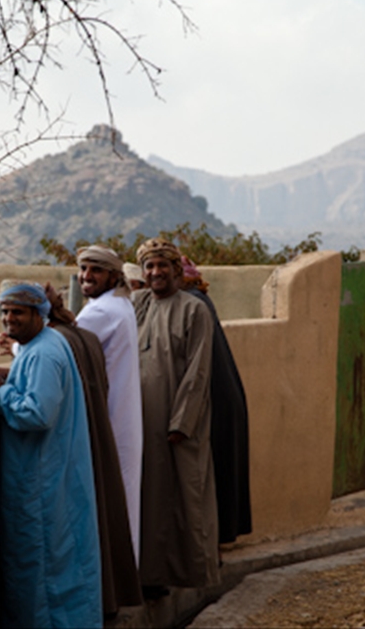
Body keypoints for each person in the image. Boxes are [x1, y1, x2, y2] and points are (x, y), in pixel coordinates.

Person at [0, 280, 101, 628]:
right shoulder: (38, 346)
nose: (9, 319)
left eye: (18, 312)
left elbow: (37, 413)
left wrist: (1, 392)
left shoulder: (45, 352)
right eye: (5, 311)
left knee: (45, 565)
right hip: (45, 475)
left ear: (38, 313)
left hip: (41, 481)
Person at [44, 283, 143, 616]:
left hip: (90, 430)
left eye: (18, 313)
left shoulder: (97, 315)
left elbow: (36, 407)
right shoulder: (112, 311)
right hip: (108, 421)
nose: (87, 276)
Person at [133, 238, 220, 594]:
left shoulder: (193, 309)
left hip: (176, 423)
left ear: (176, 269)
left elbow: (199, 370)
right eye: (149, 267)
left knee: (184, 499)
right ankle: (150, 577)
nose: (155, 272)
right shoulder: (138, 304)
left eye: (162, 266)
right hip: (141, 421)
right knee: (148, 499)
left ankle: (190, 577)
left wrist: (181, 422)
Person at [75, 246, 144, 563]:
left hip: (110, 420)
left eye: (96, 270)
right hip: (124, 418)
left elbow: (66, 351)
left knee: (107, 502)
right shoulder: (120, 304)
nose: (86, 276)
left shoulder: (99, 312)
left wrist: (18, 350)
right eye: (84, 269)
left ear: (114, 276)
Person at [180, 256, 253, 544]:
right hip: (222, 397)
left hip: (213, 401)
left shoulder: (192, 304)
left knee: (213, 476)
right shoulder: (199, 300)